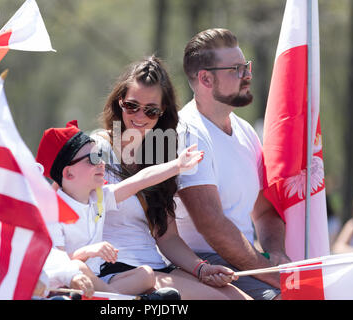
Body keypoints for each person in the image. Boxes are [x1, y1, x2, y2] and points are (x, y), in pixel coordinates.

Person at [93, 55, 251, 300]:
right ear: (119, 102)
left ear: (162, 112)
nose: (140, 116)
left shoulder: (160, 157)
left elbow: (167, 238)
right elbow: (76, 211)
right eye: (132, 106)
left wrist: (202, 269)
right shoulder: (96, 149)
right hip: (116, 273)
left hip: (158, 266)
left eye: (151, 110)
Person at [174, 28, 291, 300]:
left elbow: (264, 212)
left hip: (242, 262)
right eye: (236, 69)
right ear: (205, 78)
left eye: (246, 66)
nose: (247, 75)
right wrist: (271, 273)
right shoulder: (186, 131)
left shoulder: (246, 130)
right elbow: (212, 224)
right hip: (201, 264)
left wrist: (277, 252)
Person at [35, 119, 202, 298]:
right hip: (62, 284)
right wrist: (88, 252)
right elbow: (59, 262)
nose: (101, 163)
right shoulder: (53, 210)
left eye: (100, 155)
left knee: (146, 274)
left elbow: (139, 180)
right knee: (79, 267)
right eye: (92, 158)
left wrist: (177, 165)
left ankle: (104, 298)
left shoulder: (98, 198)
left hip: (95, 281)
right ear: (69, 173)